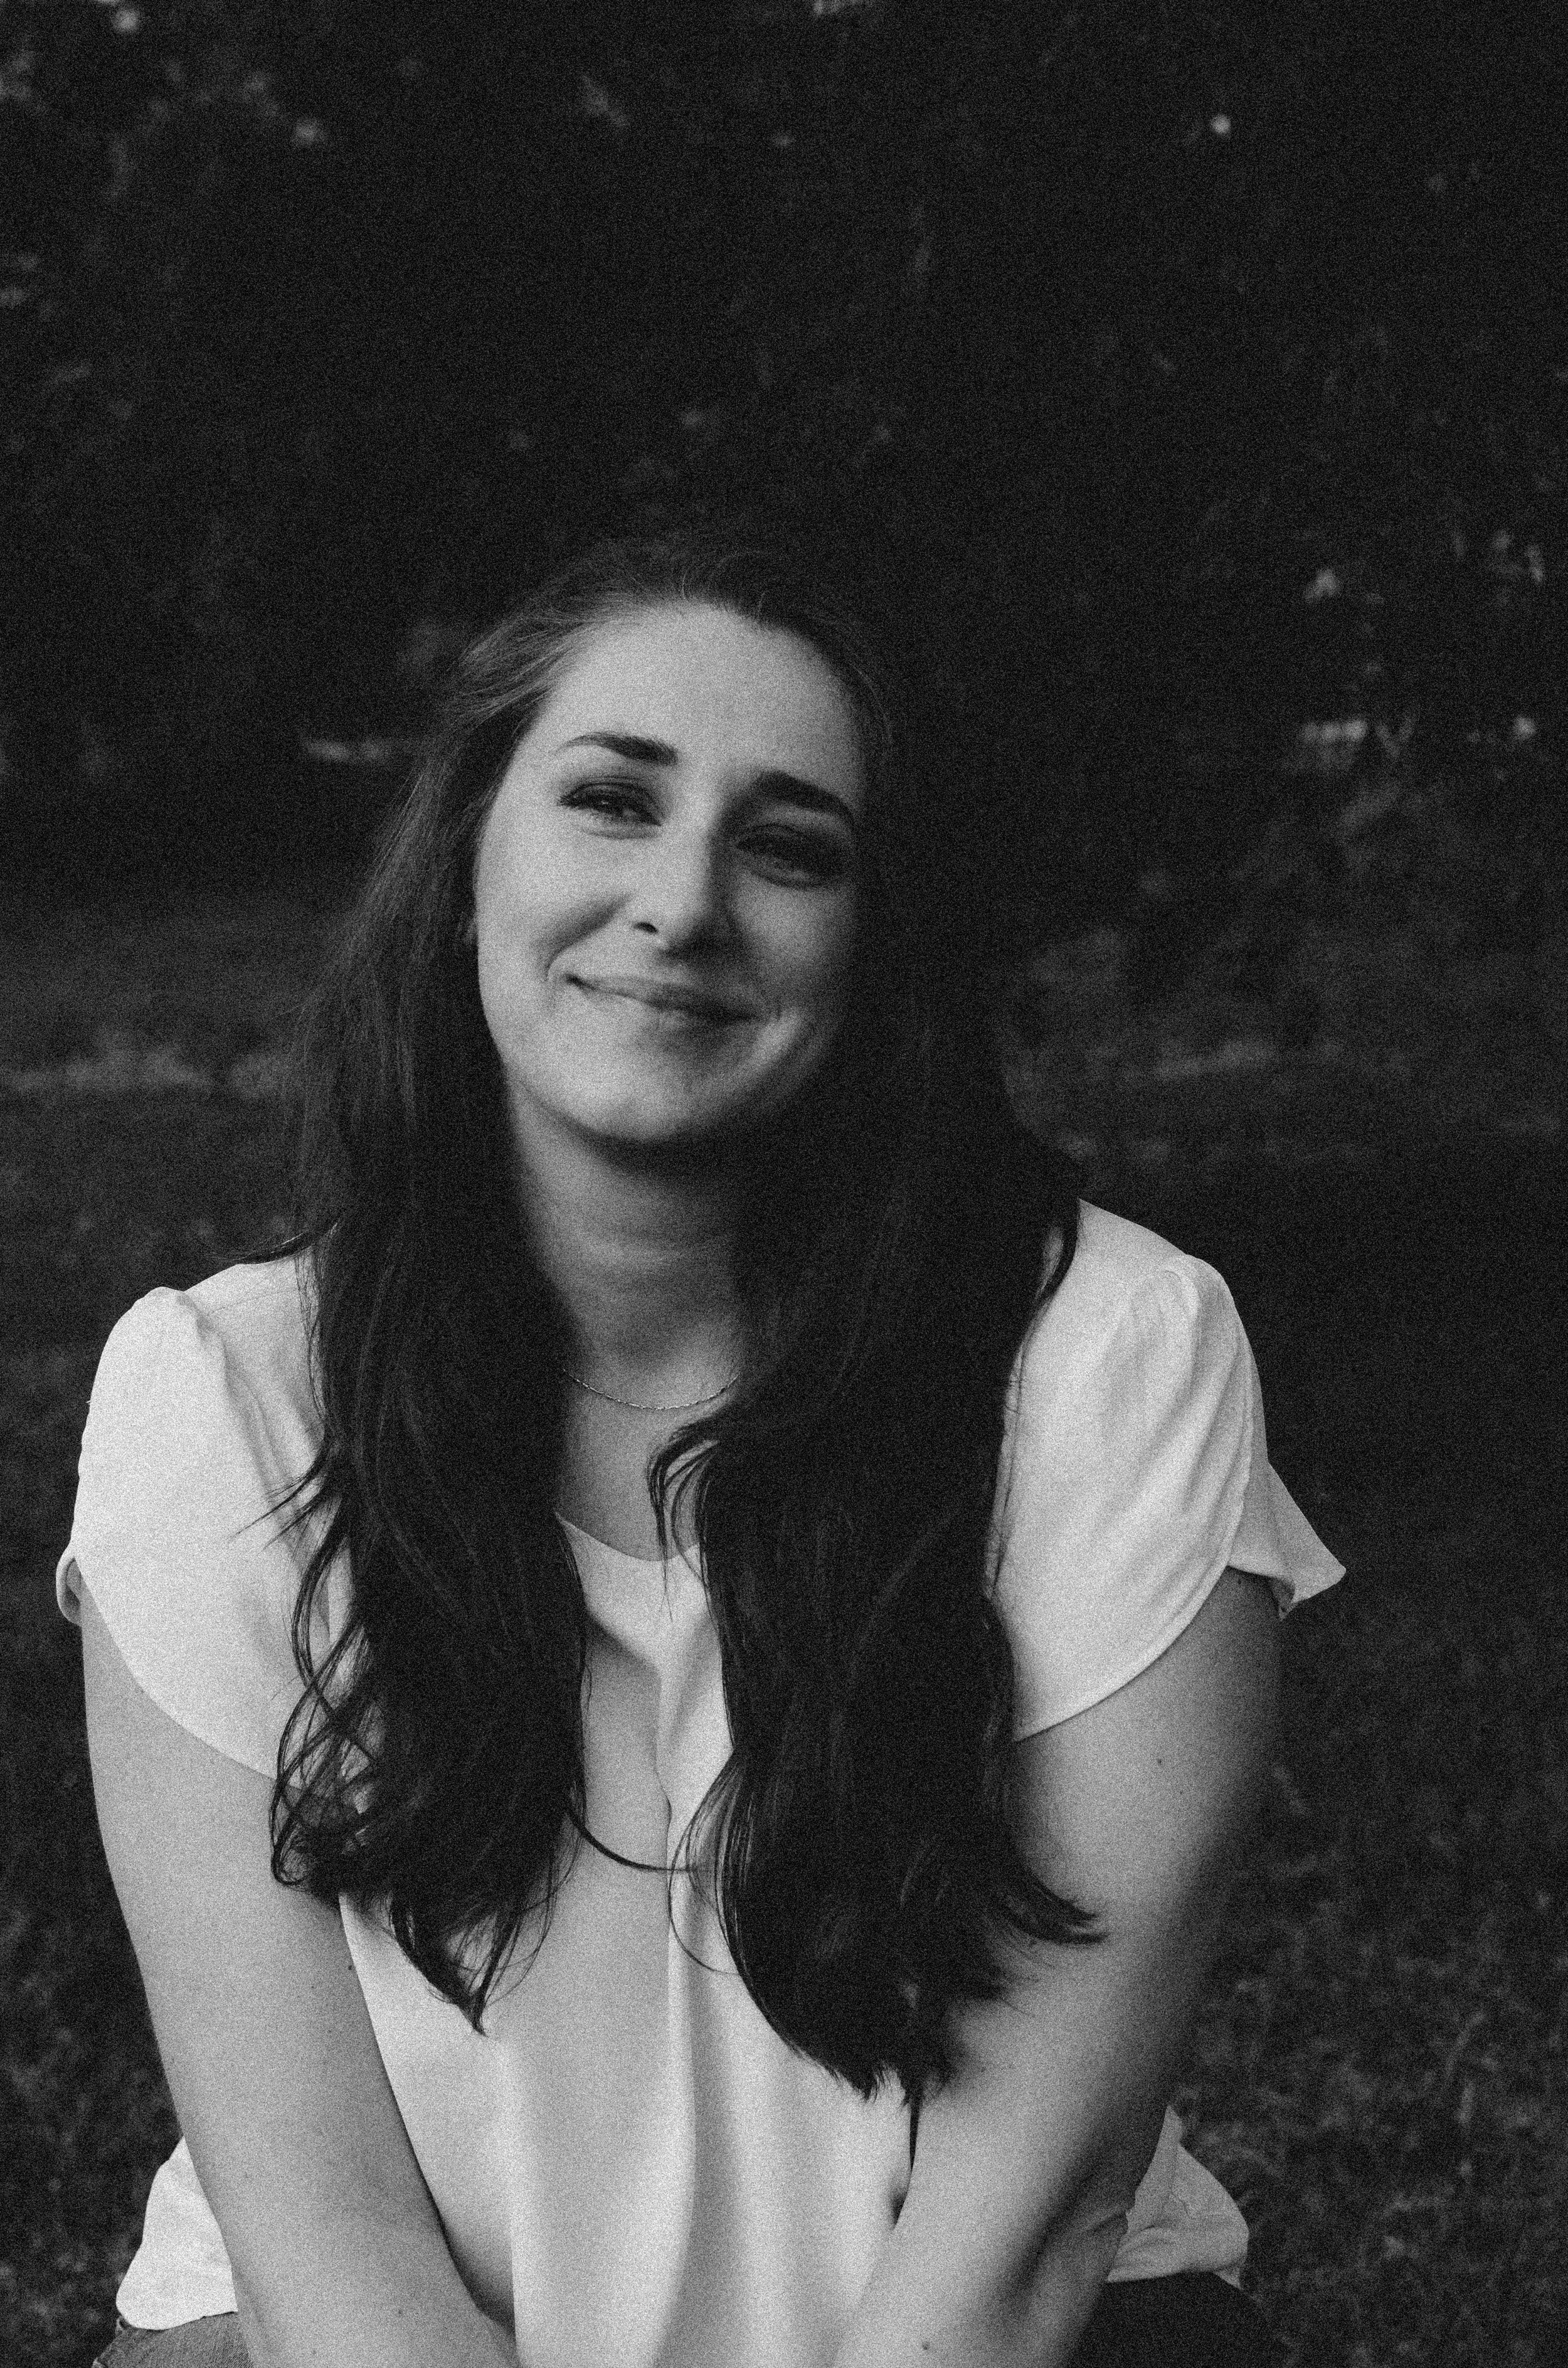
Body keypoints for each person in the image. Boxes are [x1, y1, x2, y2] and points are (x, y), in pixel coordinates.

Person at [60, 523, 1343, 2368]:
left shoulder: (1104, 1361)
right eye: (611, 799)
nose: (683, 900)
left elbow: (1025, 2223)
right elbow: (325, 2241)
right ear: (470, 852)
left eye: (788, 843)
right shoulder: (218, 1400)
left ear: (871, 937)